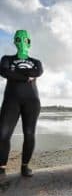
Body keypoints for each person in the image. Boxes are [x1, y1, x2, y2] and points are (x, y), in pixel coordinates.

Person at [0, 30, 43, 177]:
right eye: (18, 39)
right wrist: (26, 77)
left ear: (29, 42)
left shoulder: (36, 62)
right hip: (11, 100)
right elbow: (4, 72)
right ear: (14, 41)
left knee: (29, 134)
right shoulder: (6, 58)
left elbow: (38, 72)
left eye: (25, 39)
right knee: (2, 135)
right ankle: (1, 168)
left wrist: (15, 70)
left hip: (32, 101)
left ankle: (24, 166)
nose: (22, 42)